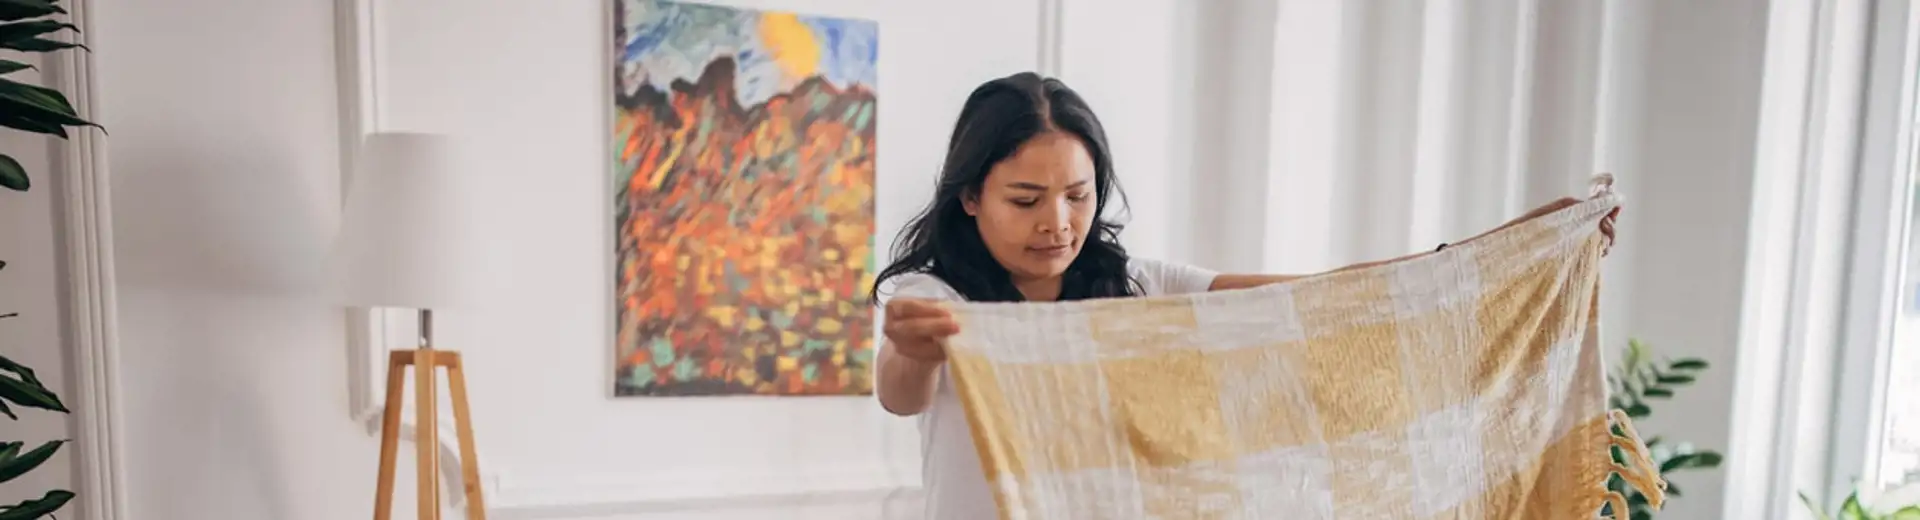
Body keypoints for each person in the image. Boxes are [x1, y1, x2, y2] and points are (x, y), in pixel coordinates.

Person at [869, 72, 1619, 519]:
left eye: (1077, 194)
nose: (1057, 224)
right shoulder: (932, 292)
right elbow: (902, 397)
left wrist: (1517, 243)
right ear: (970, 197)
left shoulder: (1140, 289)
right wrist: (915, 346)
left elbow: (1342, 300)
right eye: (1026, 199)